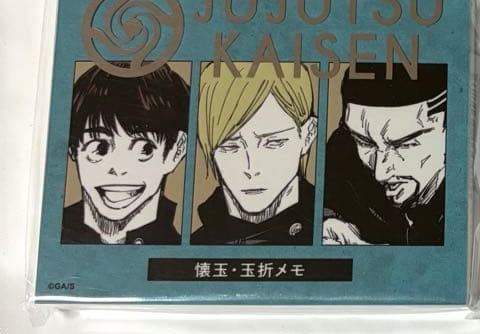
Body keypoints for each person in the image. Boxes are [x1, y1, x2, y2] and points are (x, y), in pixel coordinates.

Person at [192, 63, 318, 245]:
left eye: (273, 143)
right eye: (230, 147)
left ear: (307, 135)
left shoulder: (333, 233)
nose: (251, 168)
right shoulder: (195, 243)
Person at [63, 64, 189, 245]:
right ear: (73, 147)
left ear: (176, 151)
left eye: (145, 149)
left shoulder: (179, 249)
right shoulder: (50, 235)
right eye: (100, 148)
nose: (119, 169)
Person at [323, 62, 446, 245]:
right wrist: (327, 224)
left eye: (404, 145)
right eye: (364, 142)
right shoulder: (342, 152)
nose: (380, 173)